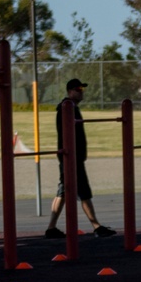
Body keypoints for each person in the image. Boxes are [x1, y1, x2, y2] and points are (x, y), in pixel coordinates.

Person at [44, 78, 116, 239]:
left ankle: (51, 228)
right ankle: (96, 226)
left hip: (73, 157)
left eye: (82, 89)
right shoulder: (66, 107)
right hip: (71, 157)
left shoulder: (71, 108)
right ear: (70, 91)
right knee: (82, 191)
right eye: (78, 89)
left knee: (64, 191)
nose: (81, 92)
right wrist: (71, 155)